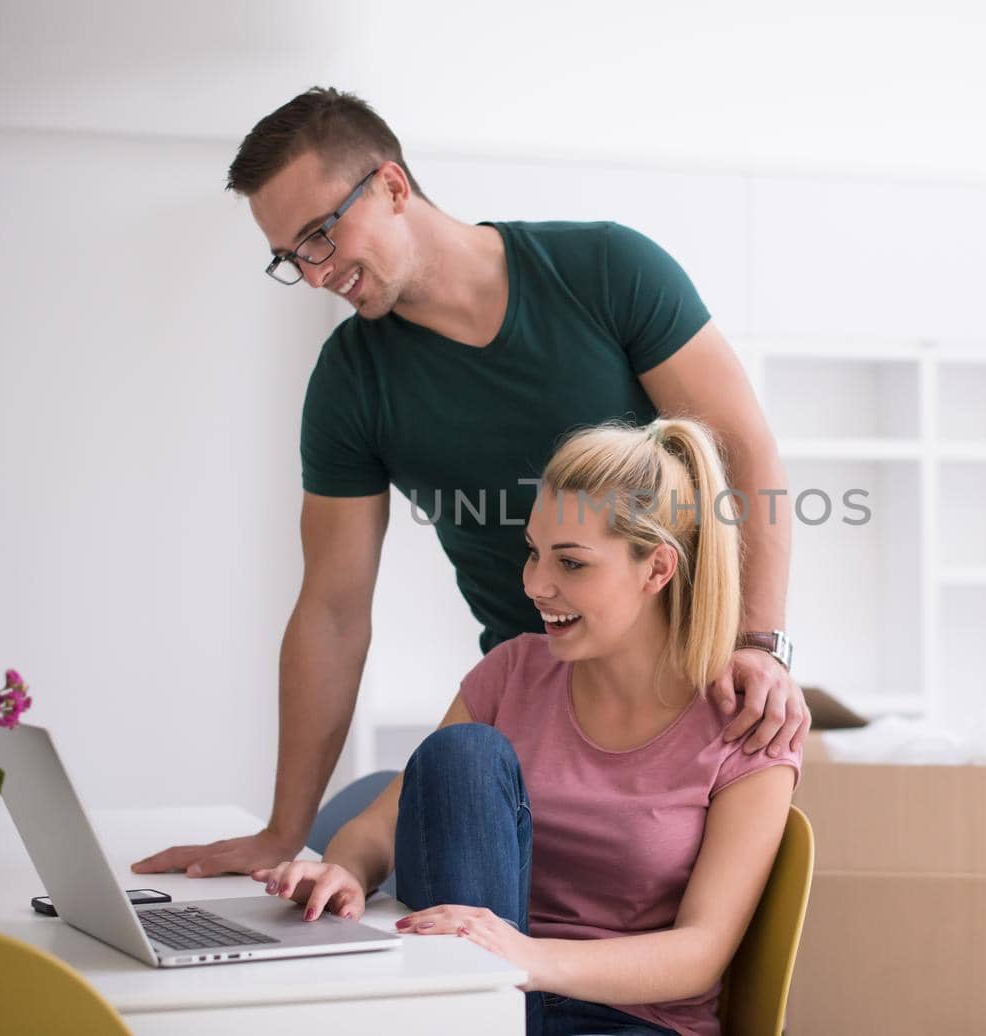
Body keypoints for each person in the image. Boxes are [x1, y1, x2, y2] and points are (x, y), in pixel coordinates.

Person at [134, 88, 807, 879]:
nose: (314, 273)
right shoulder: (353, 381)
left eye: (321, 235)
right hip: (527, 717)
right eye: (291, 257)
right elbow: (332, 610)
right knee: (363, 851)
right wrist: (285, 830)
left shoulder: (605, 272)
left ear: (390, 186)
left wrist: (759, 648)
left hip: (684, 706)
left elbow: (746, 462)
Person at [254, 418, 799, 1036]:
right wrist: (344, 870)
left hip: (626, 1020)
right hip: (488, 1004)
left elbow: (698, 955)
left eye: (571, 562)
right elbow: (381, 825)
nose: (536, 585)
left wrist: (528, 958)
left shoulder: (748, 722)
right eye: (534, 553)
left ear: (657, 570)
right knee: (463, 753)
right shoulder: (512, 671)